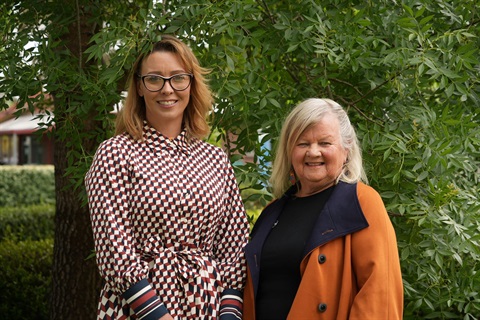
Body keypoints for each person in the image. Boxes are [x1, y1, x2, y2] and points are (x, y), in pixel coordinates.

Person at [85, 34, 249, 320]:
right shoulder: (116, 153)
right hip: (137, 308)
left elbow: (234, 247)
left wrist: (229, 315)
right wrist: (158, 316)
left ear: (191, 84)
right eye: (154, 79)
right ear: (139, 86)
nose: (167, 89)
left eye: (177, 78)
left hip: (206, 306)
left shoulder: (215, 159)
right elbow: (114, 249)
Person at [243, 98, 404, 319]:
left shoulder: (362, 202)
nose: (313, 152)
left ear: (346, 150)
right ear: (290, 151)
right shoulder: (271, 212)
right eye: (303, 143)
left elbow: (378, 297)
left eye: (325, 143)